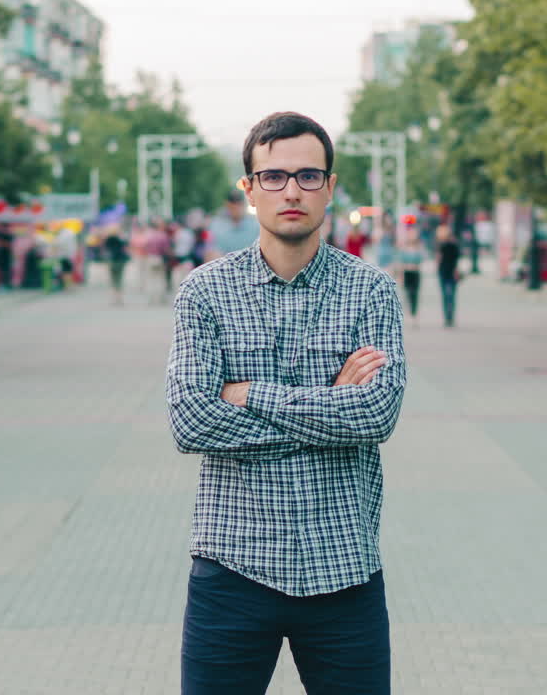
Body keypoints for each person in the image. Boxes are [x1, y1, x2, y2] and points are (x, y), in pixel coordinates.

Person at [167, 111, 406, 693]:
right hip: (232, 569)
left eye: (307, 175)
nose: (291, 190)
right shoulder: (204, 291)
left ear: (329, 185)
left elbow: (376, 414)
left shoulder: (372, 290)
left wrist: (250, 395)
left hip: (343, 569)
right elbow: (190, 421)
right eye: (272, 177)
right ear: (249, 190)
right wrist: (329, 407)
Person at [208, 189, 261, 257]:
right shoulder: (216, 224)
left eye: (239, 204)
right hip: (224, 264)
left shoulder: (255, 225)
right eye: (233, 204)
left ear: (243, 205)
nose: (236, 207)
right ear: (227, 204)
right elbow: (211, 251)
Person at [395, 226, 426, 321]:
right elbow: (400, 262)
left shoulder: (418, 248)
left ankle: (414, 313)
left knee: (415, 294)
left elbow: (422, 259)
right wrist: (401, 275)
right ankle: (409, 311)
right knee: (408, 293)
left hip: (415, 273)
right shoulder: (404, 249)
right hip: (407, 273)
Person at [435, 224, 462, 328]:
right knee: (450, 295)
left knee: (447, 295)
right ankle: (449, 316)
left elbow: (439, 259)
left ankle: (448, 316)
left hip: (446, 272)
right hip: (448, 272)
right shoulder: (451, 245)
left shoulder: (444, 246)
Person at [102, 225, 130, 306]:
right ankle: (119, 298)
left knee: (113, 280)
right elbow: (126, 246)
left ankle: (114, 298)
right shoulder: (120, 239)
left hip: (112, 261)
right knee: (119, 279)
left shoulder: (108, 239)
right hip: (120, 261)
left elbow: (105, 249)